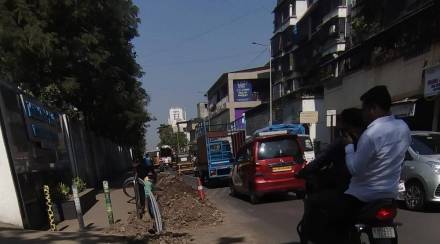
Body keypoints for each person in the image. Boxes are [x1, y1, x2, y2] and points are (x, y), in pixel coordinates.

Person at [328, 86, 411, 242]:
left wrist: (348, 146)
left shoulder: (371, 134)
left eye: (364, 109)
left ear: (373, 108)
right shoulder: (403, 128)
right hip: (389, 196)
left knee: (334, 220)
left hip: (362, 197)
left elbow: (354, 169)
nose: (363, 114)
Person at [297, 108, 365, 244]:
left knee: (313, 201)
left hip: (349, 191)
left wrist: (303, 172)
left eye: (340, 122)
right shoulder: (368, 139)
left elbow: (321, 160)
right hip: (371, 192)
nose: (339, 126)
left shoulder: (344, 142)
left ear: (346, 125)